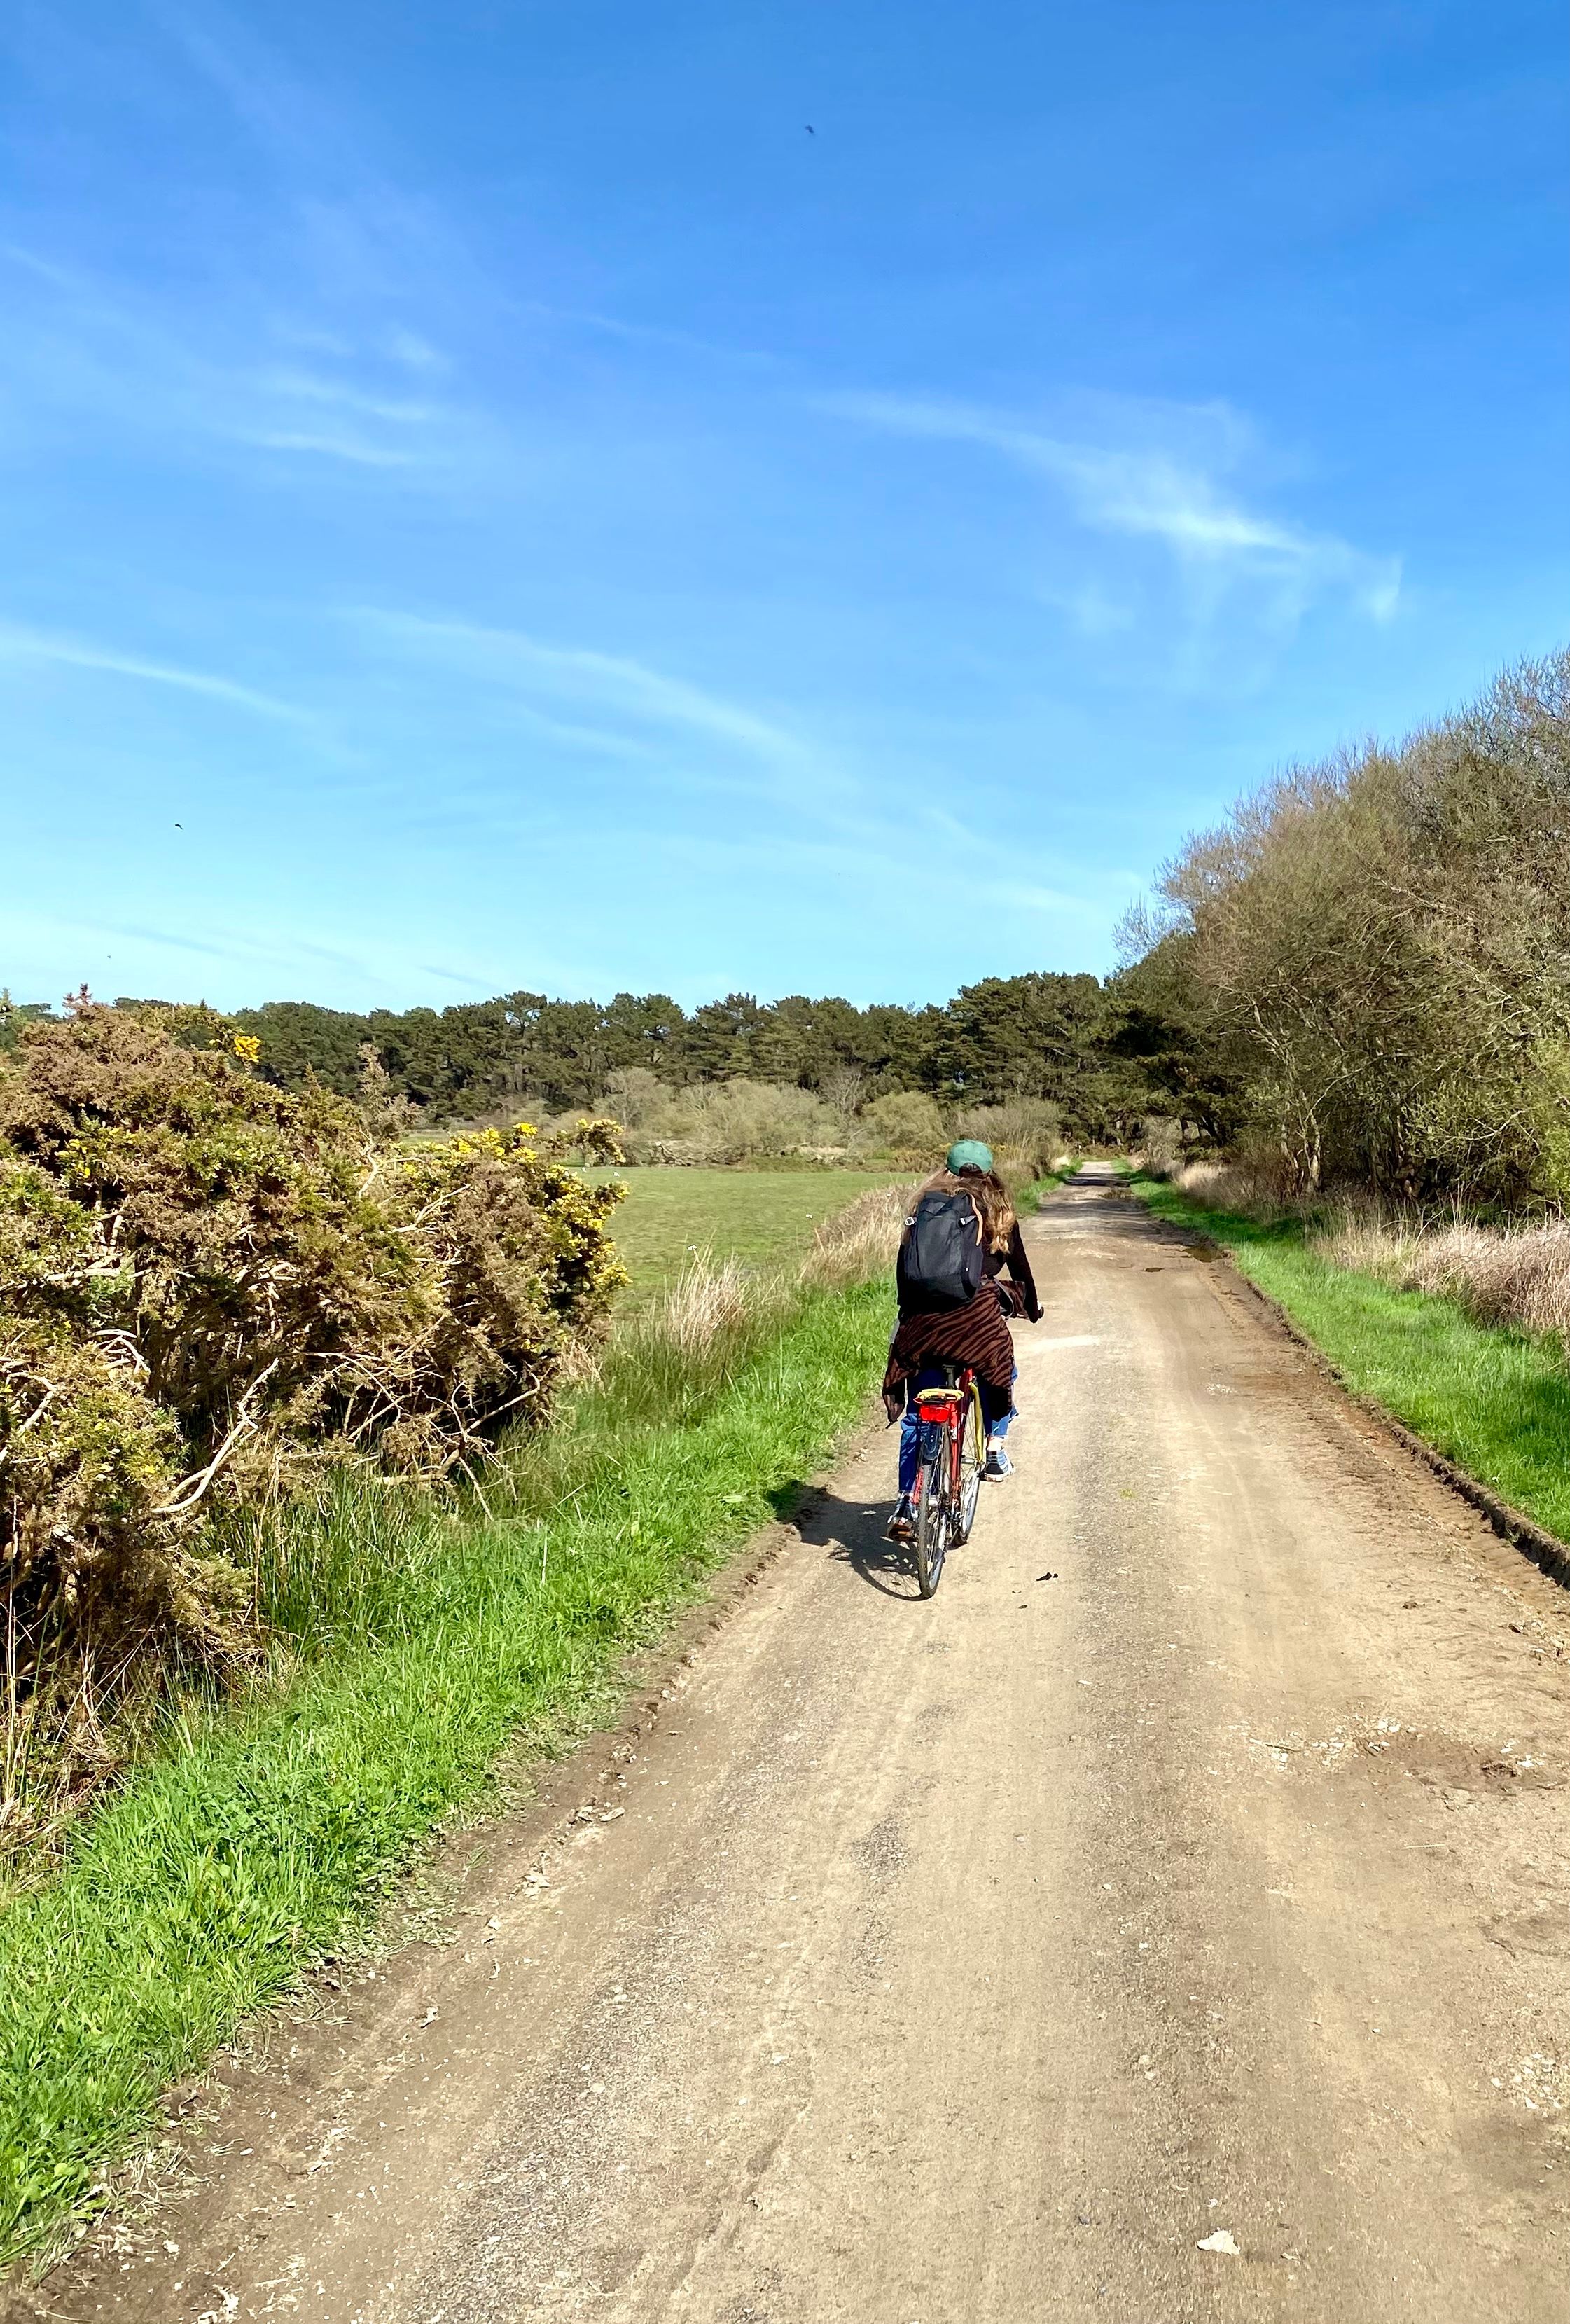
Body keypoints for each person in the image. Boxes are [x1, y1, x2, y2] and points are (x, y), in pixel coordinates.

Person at [882, 1139, 1041, 1543]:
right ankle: (994, 1448)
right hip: (974, 1321)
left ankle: (907, 1500)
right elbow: (1020, 1269)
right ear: (989, 1172)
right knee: (1001, 1370)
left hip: (922, 1321)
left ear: (947, 1170)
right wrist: (1032, 1308)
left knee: (919, 1412)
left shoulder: (924, 1208)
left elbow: (906, 1270)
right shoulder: (999, 1211)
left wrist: (907, 1319)